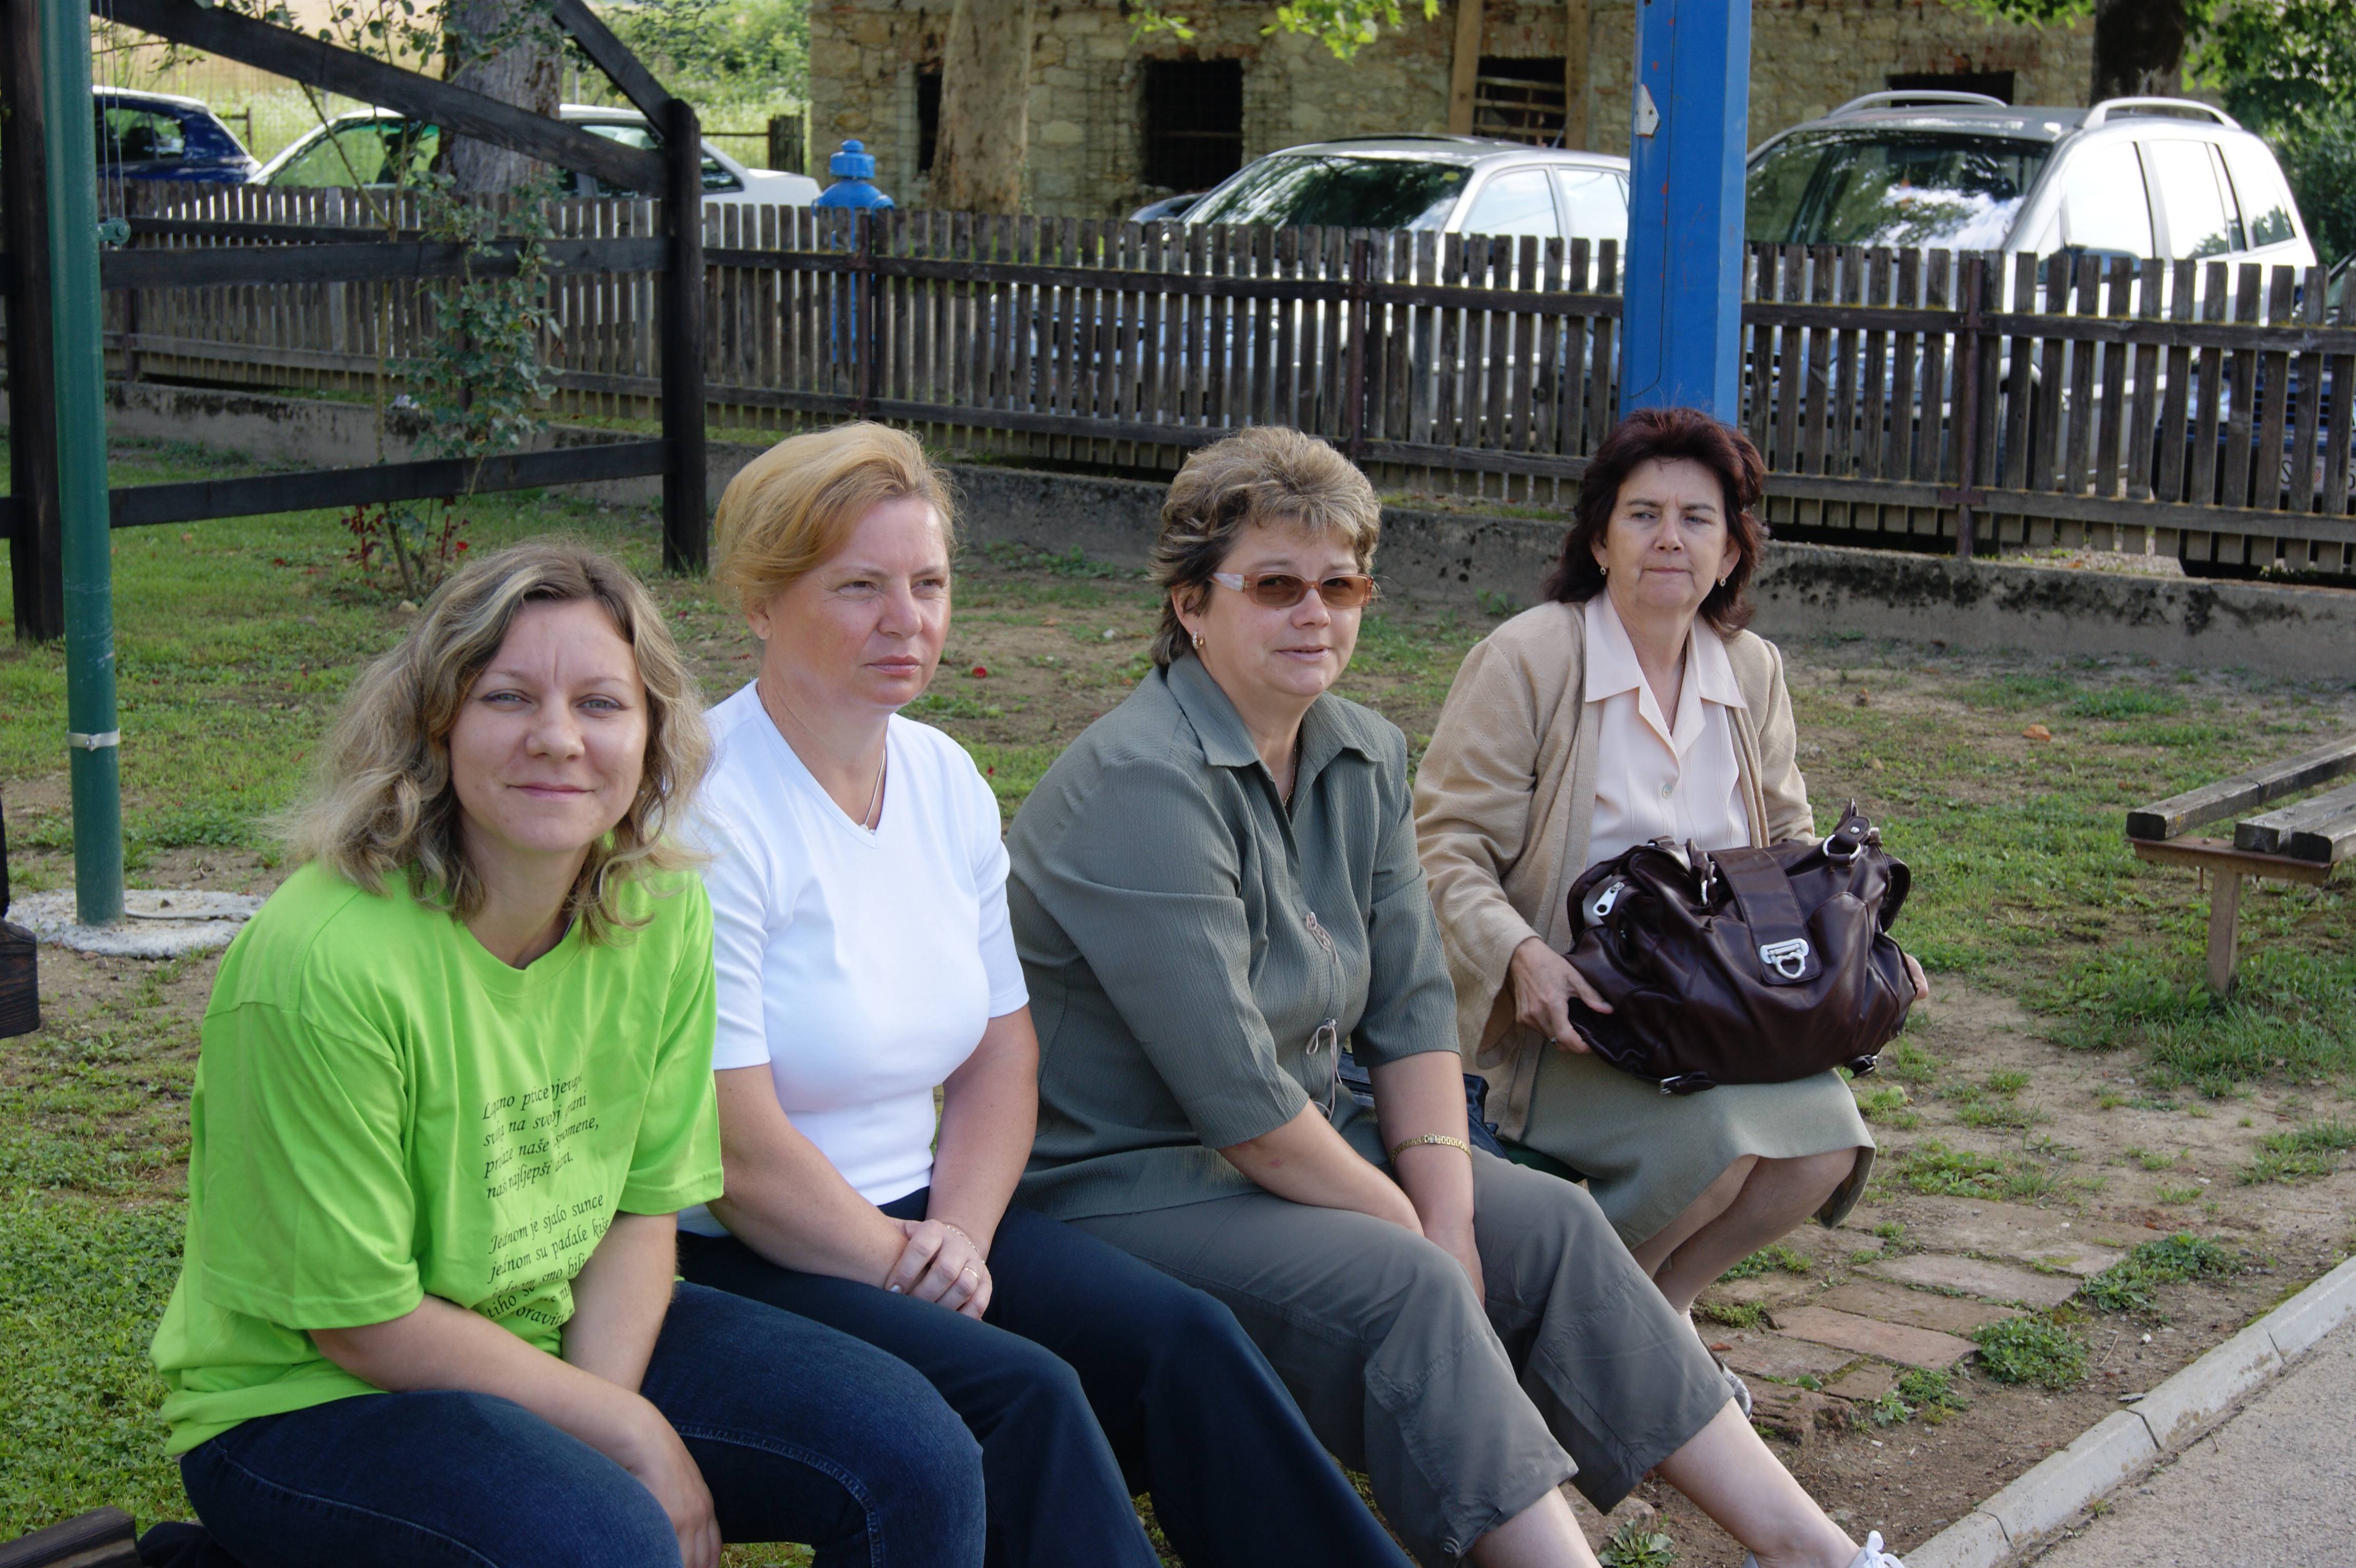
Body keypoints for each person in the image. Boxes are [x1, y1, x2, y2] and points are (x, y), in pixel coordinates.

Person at [1004, 425, 1912, 1568]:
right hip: (1135, 1177)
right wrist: (1421, 1231)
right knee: (1411, 1281)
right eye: (1275, 586)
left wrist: (1446, 1203)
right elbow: (1240, 1105)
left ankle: (1815, 1553)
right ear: (1192, 605)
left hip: (1313, 1128)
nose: (1314, 615)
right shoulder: (1142, 783)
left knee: (1553, 1228)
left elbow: (1413, 1016)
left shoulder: (1357, 753)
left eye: (1341, 585)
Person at [150, 541, 987, 1568]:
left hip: (559, 1325)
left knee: (915, 1456)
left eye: (601, 704)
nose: (557, 739)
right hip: (310, 1400)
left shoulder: (659, 907)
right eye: (507, 698)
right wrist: (623, 1433)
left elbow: (640, 1203)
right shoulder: (324, 962)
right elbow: (361, 1325)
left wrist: (598, 1416)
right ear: (436, 723)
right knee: (604, 1543)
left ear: (652, 735)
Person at [673, 422, 1413, 1568]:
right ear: (761, 602)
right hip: (745, 1246)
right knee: (1029, 1396)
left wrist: (961, 1237)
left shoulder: (942, 778)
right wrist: (903, 1262)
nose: (906, 619)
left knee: (1186, 1340)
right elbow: (738, 1144)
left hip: (935, 1212)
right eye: (860, 586)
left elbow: (998, 1056)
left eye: (928, 584)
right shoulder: (706, 809)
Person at [1413, 407, 1930, 1332]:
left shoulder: (1751, 670)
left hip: (1724, 1009)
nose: (1669, 538)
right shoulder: (1530, 659)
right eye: (1643, 514)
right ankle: (1587, 1336)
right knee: (1719, 1153)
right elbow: (1442, 847)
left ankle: (1655, 1322)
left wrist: (1858, 948)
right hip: (1575, 1025)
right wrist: (1525, 957)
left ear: (1730, 553)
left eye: (1698, 519)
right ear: (1600, 541)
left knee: (1825, 1148)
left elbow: (1790, 845)